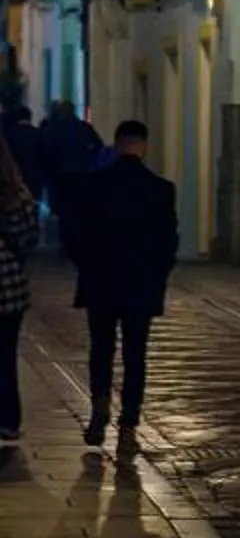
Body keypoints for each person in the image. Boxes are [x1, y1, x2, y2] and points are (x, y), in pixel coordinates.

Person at [69, 118, 177, 452]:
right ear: (143, 146)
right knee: (135, 355)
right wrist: (157, 275)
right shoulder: (160, 189)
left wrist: (86, 267)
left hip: (101, 281)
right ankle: (129, 425)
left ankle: (99, 406)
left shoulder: (92, 186)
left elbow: (75, 235)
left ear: (117, 145)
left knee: (101, 349)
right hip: (140, 284)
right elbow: (168, 242)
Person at [0, 131, 37, 446]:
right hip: (8, 285)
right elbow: (28, 237)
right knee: (6, 355)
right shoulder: (17, 193)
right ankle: (8, 419)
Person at [36, 96, 101, 256]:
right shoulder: (83, 128)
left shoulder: (51, 130)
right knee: (79, 209)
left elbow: (44, 152)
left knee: (64, 211)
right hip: (81, 174)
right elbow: (98, 146)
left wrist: (47, 173)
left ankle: (66, 242)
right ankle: (79, 240)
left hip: (60, 176)